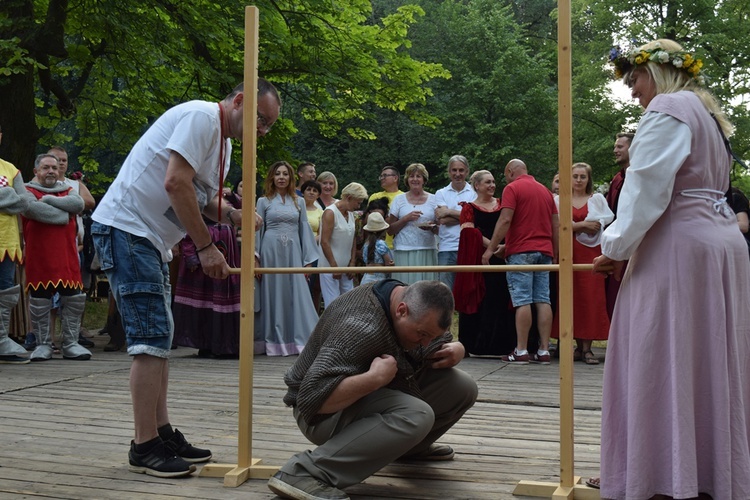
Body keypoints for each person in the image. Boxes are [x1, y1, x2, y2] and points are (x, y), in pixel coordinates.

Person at [92, 80, 281, 478]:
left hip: (151, 239)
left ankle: (160, 434)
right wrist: (207, 247)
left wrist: (231, 215)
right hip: (128, 229)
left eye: (268, 127)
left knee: (159, 335)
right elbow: (175, 182)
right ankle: (144, 446)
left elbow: (199, 200)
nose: (262, 132)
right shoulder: (201, 117)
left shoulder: (224, 146)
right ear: (240, 101)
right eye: (261, 120)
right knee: (151, 336)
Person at [591, 39, 750, 499]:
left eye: (635, 79)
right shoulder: (707, 115)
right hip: (719, 246)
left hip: (679, 248)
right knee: (708, 355)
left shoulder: (668, 109)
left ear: (658, 73)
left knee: (661, 352)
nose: (634, 92)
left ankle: (661, 474)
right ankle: (706, 471)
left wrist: (615, 246)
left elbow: (646, 192)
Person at [267, 280, 478, 500]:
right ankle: (304, 473)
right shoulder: (359, 327)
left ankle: (405, 449)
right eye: (422, 335)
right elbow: (312, 401)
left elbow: (431, 344)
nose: (426, 343)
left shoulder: (406, 299)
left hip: (375, 391)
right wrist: (373, 379)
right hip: (318, 416)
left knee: (463, 388)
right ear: (401, 310)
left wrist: (458, 348)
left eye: (431, 337)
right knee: (416, 414)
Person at [482, 159, 559, 365]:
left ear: (510, 171)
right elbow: (554, 223)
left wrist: (490, 249)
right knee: (543, 299)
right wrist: (555, 252)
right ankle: (543, 350)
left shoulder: (512, 188)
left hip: (521, 253)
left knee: (522, 300)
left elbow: (506, 220)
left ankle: (521, 349)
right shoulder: (544, 191)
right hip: (544, 251)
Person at [22, 154, 91, 362]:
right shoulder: (26, 190)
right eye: (46, 168)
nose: (51, 171)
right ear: (36, 171)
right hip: (39, 256)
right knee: (40, 299)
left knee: (73, 298)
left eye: (54, 167)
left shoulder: (67, 190)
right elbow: (32, 209)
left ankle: (70, 343)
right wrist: (63, 213)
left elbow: (78, 204)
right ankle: (43, 344)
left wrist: (50, 200)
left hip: (66, 255)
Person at [254, 161, 319, 355]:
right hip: (269, 250)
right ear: (272, 177)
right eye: (277, 174)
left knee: (295, 292)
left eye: (285, 174)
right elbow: (257, 230)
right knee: (272, 292)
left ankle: (296, 341)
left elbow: (304, 229)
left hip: (293, 251)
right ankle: (272, 342)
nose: (281, 177)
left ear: (291, 177)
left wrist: (308, 258)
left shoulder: (299, 201)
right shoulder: (263, 201)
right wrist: (255, 257)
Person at [172, 180, 243, 358]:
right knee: (204, 299)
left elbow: (241, 209)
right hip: (204, 248)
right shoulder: (194, 192)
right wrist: (192, 255)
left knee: (224, 298)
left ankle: (226, 344)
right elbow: (187, 227)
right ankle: (204, 343)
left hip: (227, 252)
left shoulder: (226, 200)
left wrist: (232, 199)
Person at [550, 163, 612, 365]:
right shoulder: (559, 201)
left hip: (591, 254)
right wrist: (581, 225)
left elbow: (605, 223)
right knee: (570, 298)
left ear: (588, 179)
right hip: (568, 255)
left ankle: (587, 349)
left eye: (582, 177)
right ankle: (574, 345)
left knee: (591, 299)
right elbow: (556, 226)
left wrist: (590, 225)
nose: (578, 180)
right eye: (575, 176)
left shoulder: (597, 199)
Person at [453, 170, 518, 356]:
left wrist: (503, 248)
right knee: (481, 297)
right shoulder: (469, 208)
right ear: (477, 186)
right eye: (487, 182)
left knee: (501, 297)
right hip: (480, 259)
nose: (492, 185)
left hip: (504, 256)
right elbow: (470, 233)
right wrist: (494, 247)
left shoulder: (503, 204)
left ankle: (503, 345)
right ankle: (477, 345)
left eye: (493, 181)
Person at [48, 146, 96, 348]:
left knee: (75, 292)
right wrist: (70, 203)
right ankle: (46, 338)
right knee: (47, 293)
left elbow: (89, 202)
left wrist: (61, 201)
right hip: (48, 248)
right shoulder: (41, 185)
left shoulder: (74, 184)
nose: (60, 163)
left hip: (74, 247)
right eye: (56, 159)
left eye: (64, 160)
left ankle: (73, 335)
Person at [0, 124, 30, 364]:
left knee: (5, 291)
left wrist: (13, 196)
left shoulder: (11, 169)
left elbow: (24, 202)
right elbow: (16, 197)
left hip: (7, 242)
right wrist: (9, 195)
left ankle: (1, 340)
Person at [318, 182, 368, 308]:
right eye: (358, 202)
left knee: (350, 302)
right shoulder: (330, 213)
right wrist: (334, 267)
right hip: (329, 266)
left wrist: (352, 264)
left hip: (346, 267)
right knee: (333, 304)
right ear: (349, 198)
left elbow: (353, 239)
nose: (359, 205)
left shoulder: (351, 213)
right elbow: (324, 241)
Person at [387, 163, 439, 284]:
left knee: (426, 288)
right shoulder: (399, 200)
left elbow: (440, 229)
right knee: (404, 287)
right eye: (411, 176)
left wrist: (432, 227)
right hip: (404, 249)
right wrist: (406, 218)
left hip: (427, 249)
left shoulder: (434, 199)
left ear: (424, 180)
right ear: (407, 179)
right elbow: (390, 230)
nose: (415, 179)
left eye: (418, 176)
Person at [603, 132, 634, 319]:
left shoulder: (642, 175)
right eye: (615, 146)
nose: (615, 150)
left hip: (637, 246)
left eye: (620, 147)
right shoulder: (617, 179)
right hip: (618, 246)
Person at [434, 155, 476, 291]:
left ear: (467, 172)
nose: (458, 174)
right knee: (445, 292)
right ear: (449, 172)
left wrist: (449, 212)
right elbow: (442, 219)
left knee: (468, 289)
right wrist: (466, 215)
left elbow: (476, 217)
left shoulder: (475, 192)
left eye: (461, 170)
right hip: (446, 248)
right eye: (454, 170)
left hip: (468, 247)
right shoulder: (440, 193)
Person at [300, 179, 324, 311]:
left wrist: (310, 241)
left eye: (315, 191)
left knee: (309, 283)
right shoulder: (296, 207)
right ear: (302, 192)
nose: (311, 192)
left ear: (318, 195)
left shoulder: (321, 212)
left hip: (313, 251)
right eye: (308, 189)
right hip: (296, 248)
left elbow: (323, 234)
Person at [368, 165, 404, 249]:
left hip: (398, 244)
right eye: (381, 176)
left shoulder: (404, 197)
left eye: (385, 175)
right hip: (377, 244)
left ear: (395, 178)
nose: (382, 178)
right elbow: (368, 220)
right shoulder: (375, 197)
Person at [360, 212, 394, 285]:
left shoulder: (366, 245)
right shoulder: (381, 244)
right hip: (379, 279)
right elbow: (388, 263)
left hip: (366, 277)